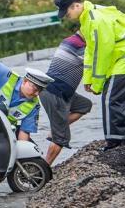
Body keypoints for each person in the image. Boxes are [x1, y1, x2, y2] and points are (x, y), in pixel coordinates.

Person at [54, 0, 125, 151]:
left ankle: (113, 145)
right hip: (121, 58)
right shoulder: (87, 18)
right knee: (119, 99)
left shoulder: (95, 19)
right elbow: (90, 51)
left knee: (111, 99)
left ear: (75, 6)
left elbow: (102, 54)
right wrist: (88, 79)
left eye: (66, 12)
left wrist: (97, 84)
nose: (66, 17)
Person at [0, 55, 54, 171]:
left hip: (3, 129)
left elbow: (24, 133)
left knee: (29, 150)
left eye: (40, 90)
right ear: (25, 81)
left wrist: (20, 154)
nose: (37, 94)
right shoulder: (8, 77)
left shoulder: (34, 105)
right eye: (35, 89)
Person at [40, 33, 92, 165]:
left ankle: (57, 128)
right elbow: (95, 64)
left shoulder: (73, 40)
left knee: (85, 105)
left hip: (64, 93)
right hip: (54, 93)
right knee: (61, 137)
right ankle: (44, 169)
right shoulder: (78, 45)